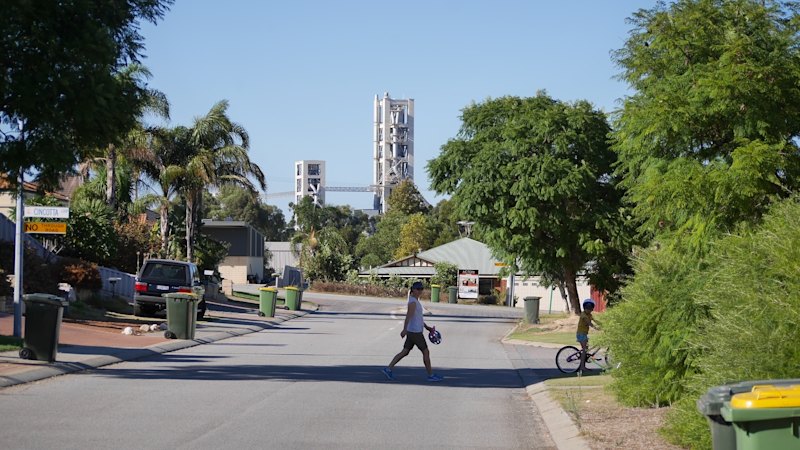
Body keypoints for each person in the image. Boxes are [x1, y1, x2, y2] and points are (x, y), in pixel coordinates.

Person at [382, 281, 443, 382]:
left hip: (414, 331)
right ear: (413, 290)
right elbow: (408, 317)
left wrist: (427, 328)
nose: (420, 291)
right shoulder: (413, 302)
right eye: (418, 289)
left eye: (421, 289)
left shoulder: (415, 301)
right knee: (426, 352)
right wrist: (404, 329)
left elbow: (418, 318)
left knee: (405, 352)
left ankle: (388, 368)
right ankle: (431, 375)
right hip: (415, 332)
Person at [577, 298, 599, 372]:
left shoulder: (589, 315)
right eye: (587, 308)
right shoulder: (583, 315)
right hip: (581, 334)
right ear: (585, 308)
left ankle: (583, 362)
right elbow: (589, 323)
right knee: (584, 350)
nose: (589, 310)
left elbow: (595, 320)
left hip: (584, 334)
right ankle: (582, 367)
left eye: (590, 309)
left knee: (586, 348)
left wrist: (603, 324)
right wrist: (597, 328)